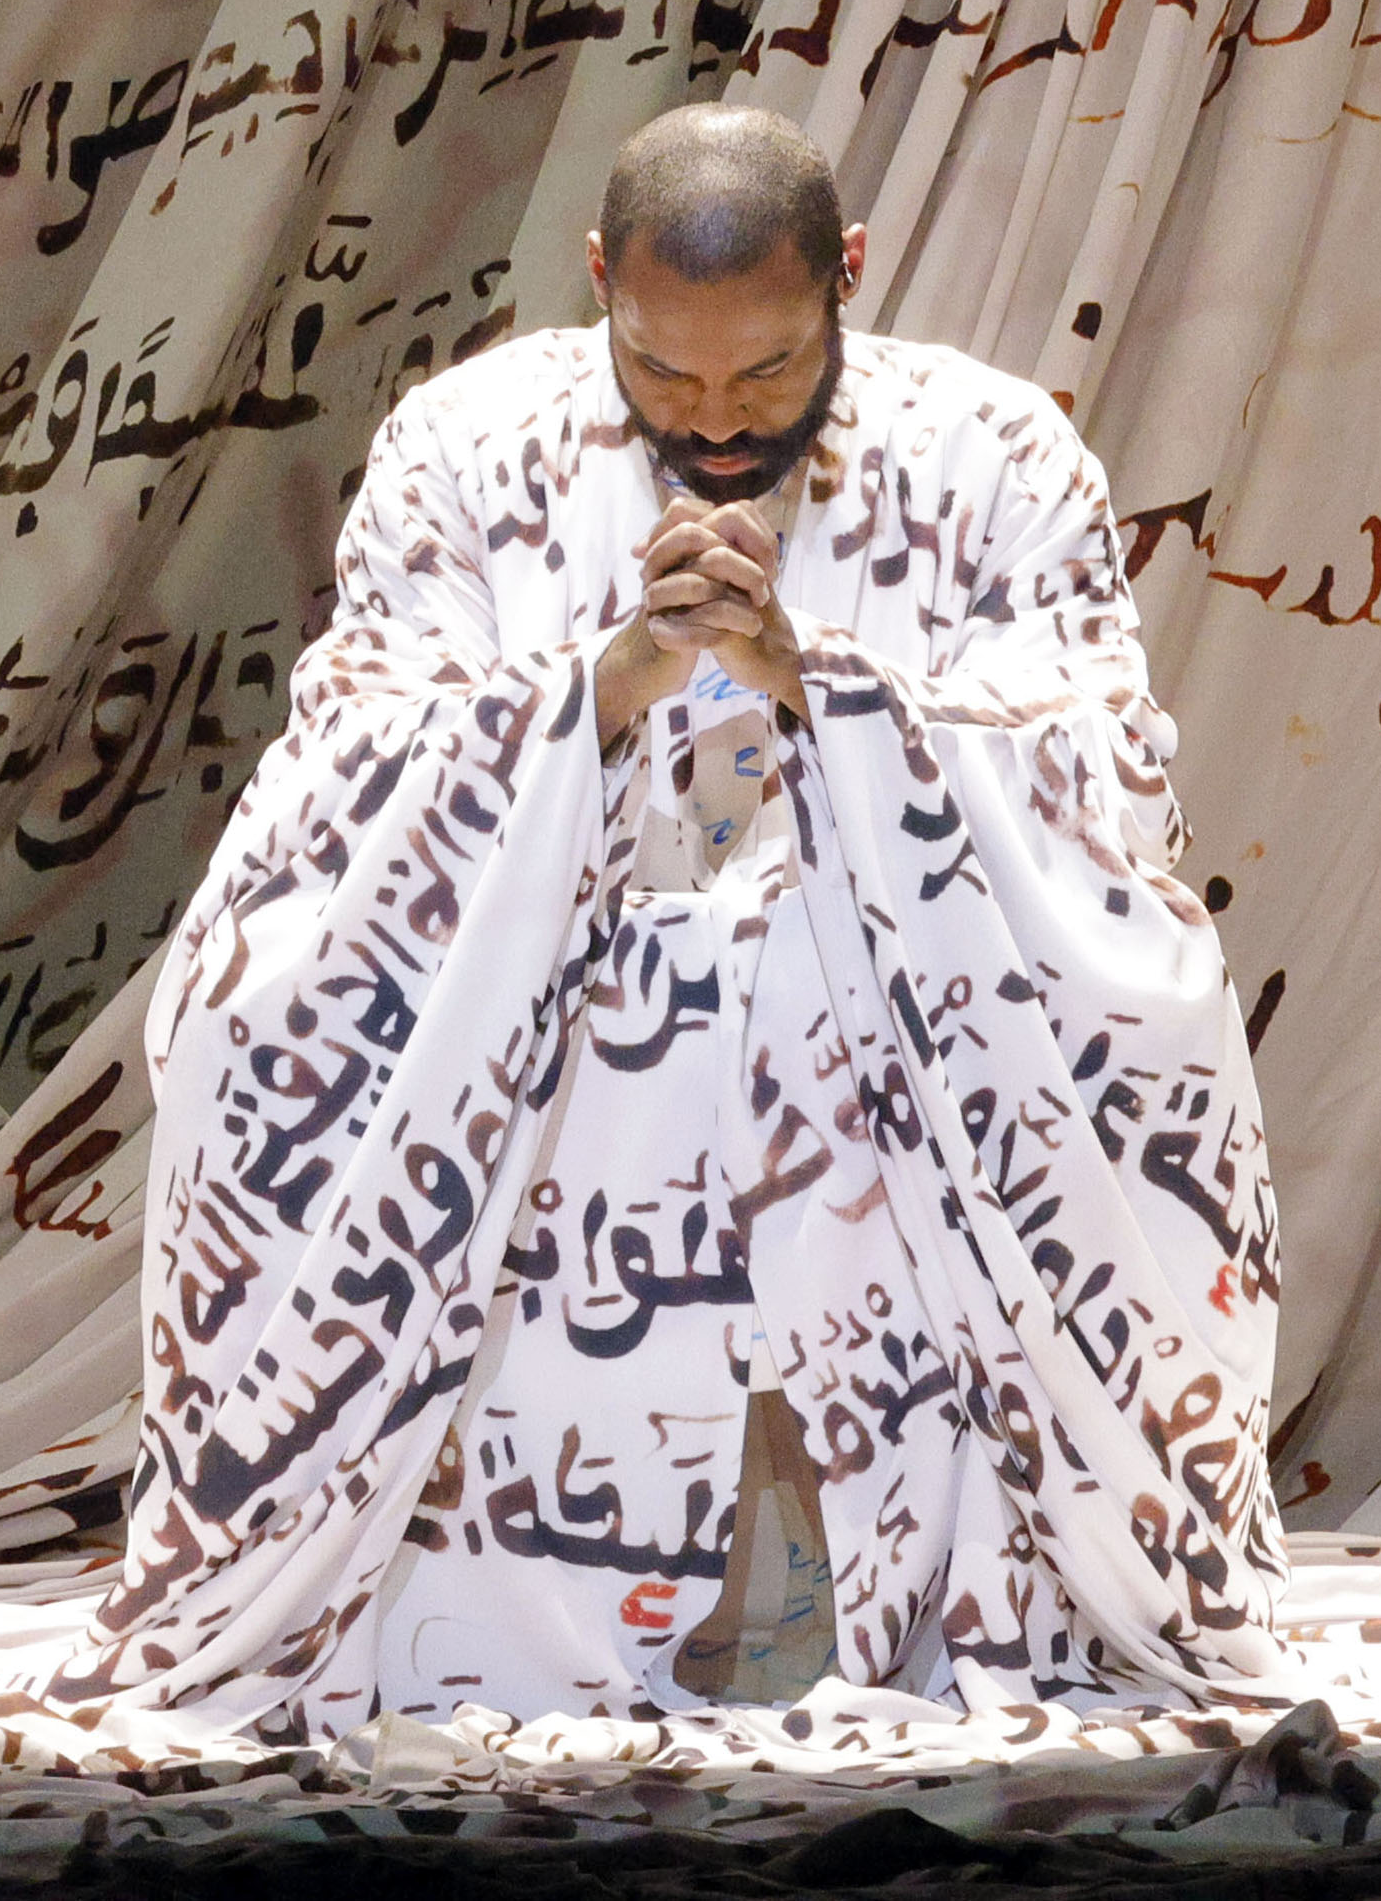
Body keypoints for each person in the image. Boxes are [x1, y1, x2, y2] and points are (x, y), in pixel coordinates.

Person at [83, 97, 1288, 1724]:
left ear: (848, 275)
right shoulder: (463, 450)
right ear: (598, 285)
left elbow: (1101, 777)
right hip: (551, 997)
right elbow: (348, 765)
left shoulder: (996, 458)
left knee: (853, 1019)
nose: (717, 422)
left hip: (895, 1010)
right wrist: (601, 690)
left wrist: (832, 696)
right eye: (664, 374)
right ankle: (501, 1612)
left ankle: (874, 1605)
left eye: (772, 372)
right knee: (258, 1005)